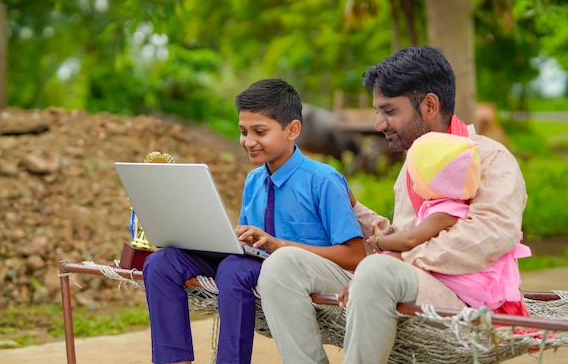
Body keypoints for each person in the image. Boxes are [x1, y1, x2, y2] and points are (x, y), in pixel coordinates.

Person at [257, 45, 529, 364]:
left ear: (429, 105)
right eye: (378, 112)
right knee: (282, 265)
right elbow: (400, 236)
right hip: (398, 281)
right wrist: (351, 206)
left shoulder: (490, 158)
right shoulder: (413, 165)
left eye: (388, 111)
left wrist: (398, 260)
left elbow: (492, 234)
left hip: (465, 297)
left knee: (376, 270)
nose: (378, 123)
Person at [142, 78, 365, 364]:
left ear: (292, 130)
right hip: (254, 262)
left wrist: (280, 245)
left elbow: (356, 256)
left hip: (300, 270)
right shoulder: (254, 179)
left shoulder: (323, 180)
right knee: (161, 263)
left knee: (234, 270)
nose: (248, 141)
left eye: (260, 131)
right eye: (243, 131)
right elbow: (251, 242)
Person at [366, 131, 530, 313]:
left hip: (470, 287)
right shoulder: (445, 208)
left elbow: (410, 240)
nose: (412, 184)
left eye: (416, 178)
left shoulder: (443, 212)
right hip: (473, 280)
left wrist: (380, 242)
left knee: (385, 277)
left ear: (432, 183)